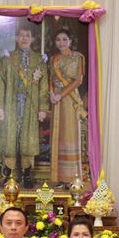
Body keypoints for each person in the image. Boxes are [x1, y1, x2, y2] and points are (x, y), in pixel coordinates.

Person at [0, 24, 50, 186]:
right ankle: (9, 172)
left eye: (27, 35)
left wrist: (43, 108)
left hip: (30, 106)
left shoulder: (40, 60)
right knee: (10, 137)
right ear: (17, 39)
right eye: (21, 35)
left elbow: (44, 86)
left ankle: (27, 173)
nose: (24, 38)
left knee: (28, 138)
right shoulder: (7, 59)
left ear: (32, 39)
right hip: (11, 103)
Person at [49, 28, 87, 185]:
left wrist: (60, 95)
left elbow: (78, 80)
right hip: (56, 101)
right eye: (58, 39)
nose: (61, 42)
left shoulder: (78, 57)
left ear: (70, 41)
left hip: (70, 99)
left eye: (64, 39)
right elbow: (50, 78)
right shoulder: (54, 59)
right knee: (58, 135)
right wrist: (52, 93)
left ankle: (73, 177)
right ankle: (59, 177)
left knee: (70, 134)